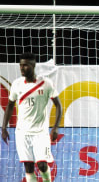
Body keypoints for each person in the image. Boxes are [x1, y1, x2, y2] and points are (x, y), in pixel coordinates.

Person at [1, 52, 62, 182]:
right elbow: (10, 106)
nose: (22, 68)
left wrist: (55, 128)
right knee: (28, 167)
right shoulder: (17, 84)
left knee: (42, 164)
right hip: (22, 132)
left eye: (25, 65)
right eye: (21, 65)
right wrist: (4, 128)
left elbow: (59, 106)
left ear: (33, 66)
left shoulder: (46, 83)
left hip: (41, 132)